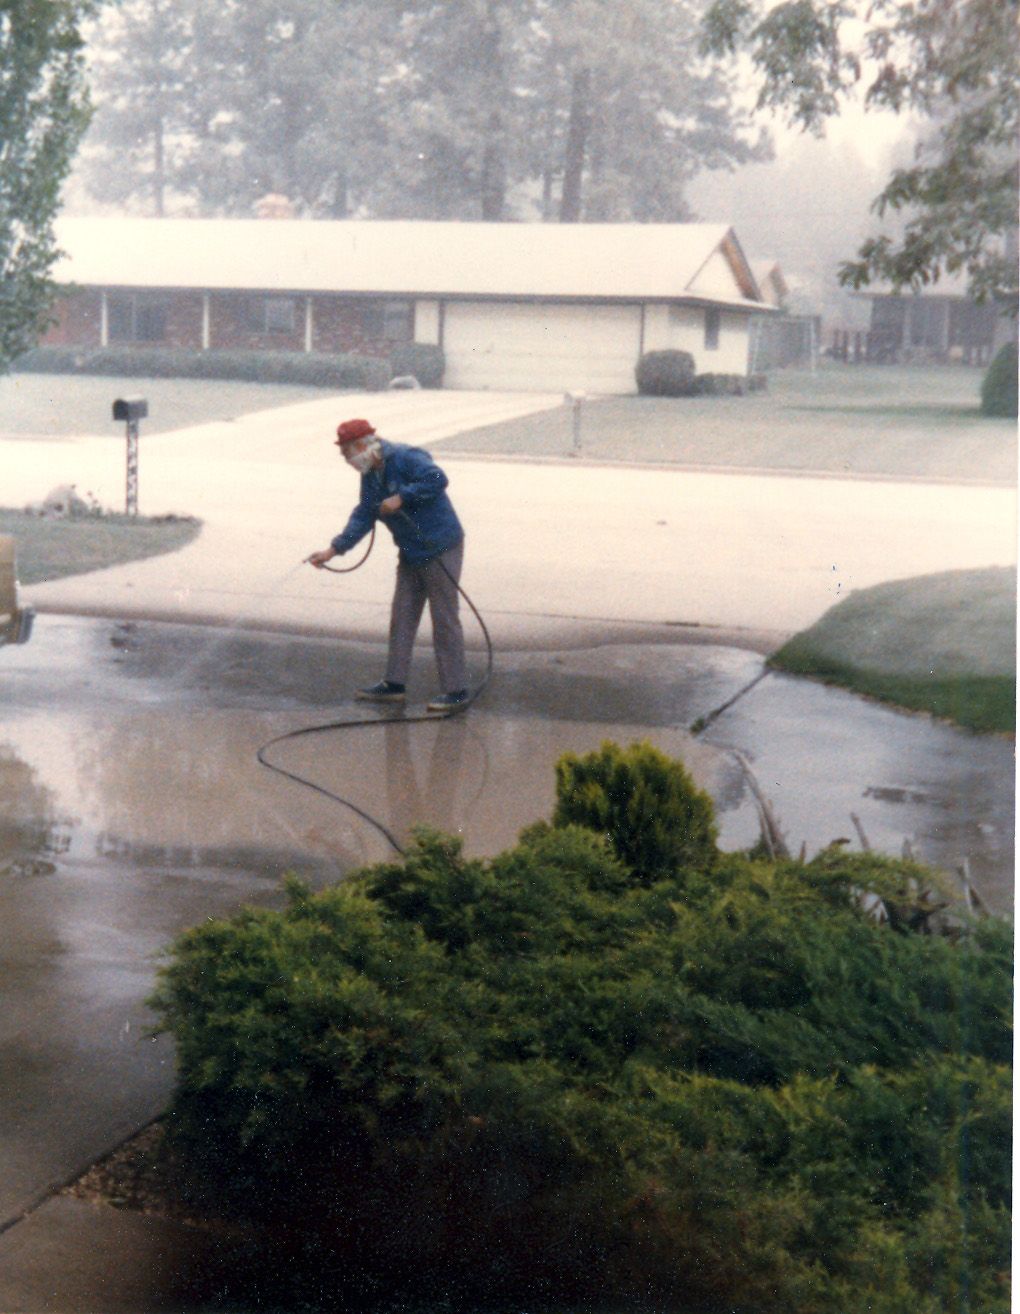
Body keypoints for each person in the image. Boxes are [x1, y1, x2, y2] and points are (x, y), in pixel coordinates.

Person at [306, 418, 469, 713]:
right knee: (402, 616)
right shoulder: (370, 476)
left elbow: (436, 479)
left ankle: (456, 689)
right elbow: (364, 514)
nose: (347, 461)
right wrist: (333, 550)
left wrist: (402, 497)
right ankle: (394, 684)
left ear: (363, 446)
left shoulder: (406, 457)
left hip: (440, 545)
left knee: (444, 619)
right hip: (410, 551)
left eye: (346, 453)